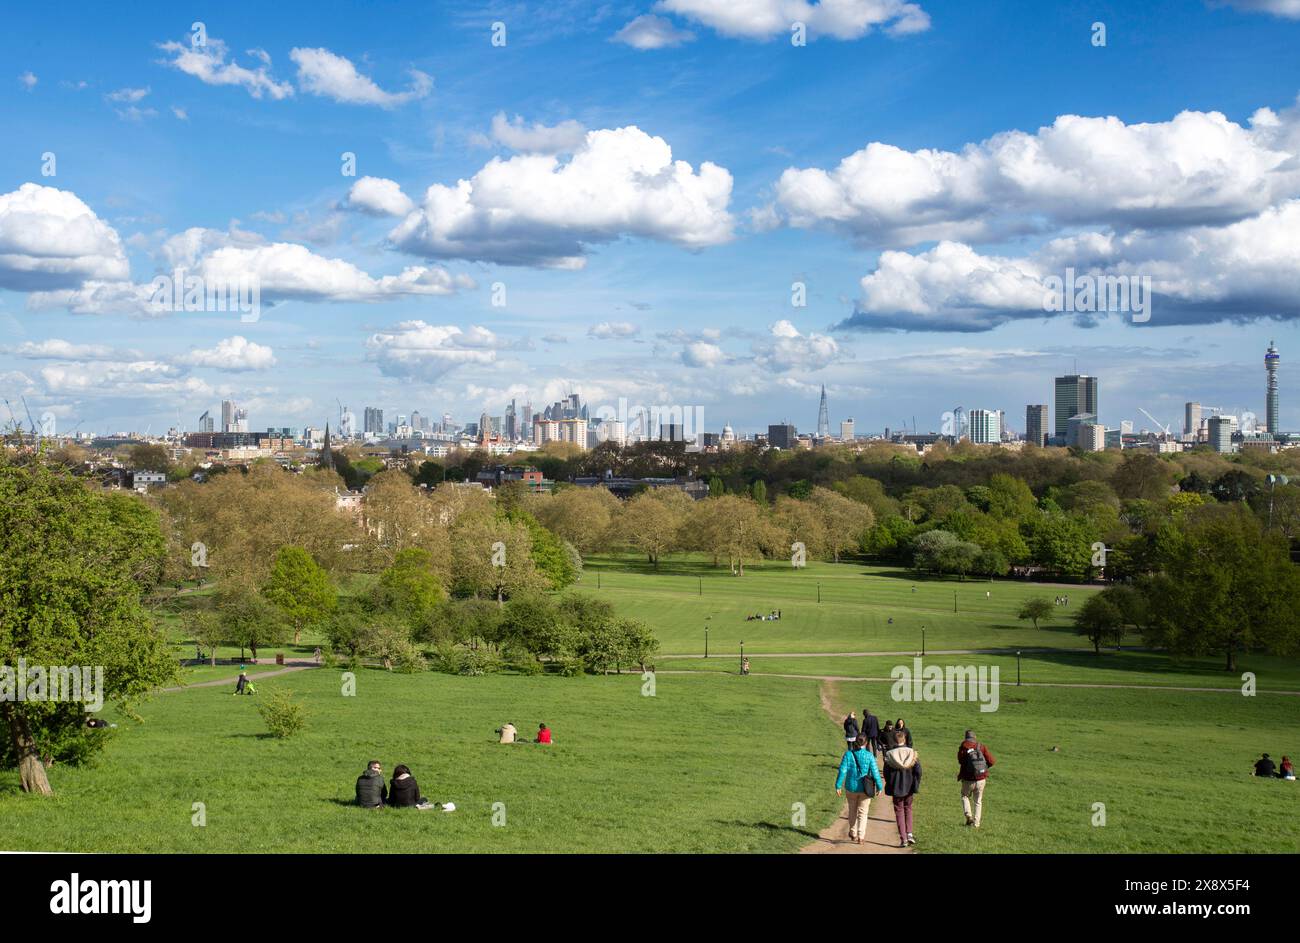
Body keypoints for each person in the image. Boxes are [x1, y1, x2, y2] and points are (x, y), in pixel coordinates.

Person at [835, 734, 884, 845]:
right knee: (863, 813)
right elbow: (876, 772)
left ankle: (853, 832)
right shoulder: (869, 755)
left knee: (852, 810)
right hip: (865, 789)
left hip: (851, 788)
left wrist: (838, 785)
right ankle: (861, 836)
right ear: (866, 743)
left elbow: (842, 771)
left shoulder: (848, 754)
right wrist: (879, 786)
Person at [883, 728, 922, 847]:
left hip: (896, 787)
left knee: (899, 811)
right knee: (908, 809)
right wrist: (916, 782)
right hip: (909, 786)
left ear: (895, 741)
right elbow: (919, 771)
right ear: (904, 739)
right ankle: (909, 833)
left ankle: (903, 838)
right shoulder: (912, 753)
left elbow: (886, 773)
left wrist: (890, 783)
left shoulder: (889, 755)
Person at [957, 729, 996, 828]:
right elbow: (991, 761)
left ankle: (968, 815)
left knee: (965, 796)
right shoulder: (981, 746)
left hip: (967, 779)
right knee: (978, 801)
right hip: (981, 779)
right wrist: (983, 768)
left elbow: (960, 761)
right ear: (975, 737)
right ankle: (976, 824)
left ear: (966, 737)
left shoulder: (963, 747)